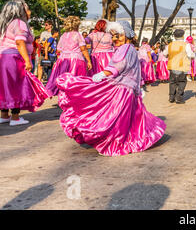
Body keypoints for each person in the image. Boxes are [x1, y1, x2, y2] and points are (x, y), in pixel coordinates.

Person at [56, 20, 166, 156]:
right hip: (128, 88)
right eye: (113, 36)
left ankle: (113, 140)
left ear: (126, 35)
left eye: (118, 35)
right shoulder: (130, 49)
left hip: (122, 89)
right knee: (127, 118)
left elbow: (119, 65)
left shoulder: (126, 48)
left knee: (114, 117)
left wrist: (103, 73)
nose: (115, 39)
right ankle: (126, 137)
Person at [0, 0, 48, 126]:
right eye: (27, 9)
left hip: (3, 57)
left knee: (5, 87)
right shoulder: (19, 23)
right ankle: (15, 118)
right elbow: (20, 42)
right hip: (14, 58)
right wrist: (27, 60)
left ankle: (4, 115)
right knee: (17, 86)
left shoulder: (5, 24)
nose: (29, 11)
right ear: (20, 10)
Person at [46, 16, 93, 97]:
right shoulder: (77, 35)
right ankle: (74, 98)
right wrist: (88, 61)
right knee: (75, 81)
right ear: (76, 25)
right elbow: (83, 48)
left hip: (63, 60)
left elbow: (58, 50)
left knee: (64, 80)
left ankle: (64, 97)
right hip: (75, 60)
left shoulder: (63, 35)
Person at [163, 29, 195, 104]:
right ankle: (179, 98)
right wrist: (193, 55)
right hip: (182, 67)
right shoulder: (186, 45)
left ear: (174, 36)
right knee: (182, 82)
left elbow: (165, 54)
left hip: (172, 66)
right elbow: (190, 54)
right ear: (183, 36)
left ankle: (171, 97)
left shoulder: (170, 45)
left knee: (172, 82)